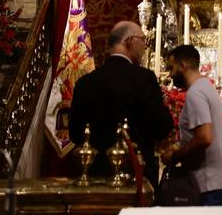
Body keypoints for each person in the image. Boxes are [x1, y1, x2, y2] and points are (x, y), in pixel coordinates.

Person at [69, 20, 174, 188]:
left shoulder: (85, 82)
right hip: (133, 174)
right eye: (143, 40)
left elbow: (75, 133)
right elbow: (161, 127)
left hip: (94, 175)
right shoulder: (143, 78)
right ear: (130, 42)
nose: (145, 47)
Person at [163, 44, 222, 206]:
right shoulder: (206, 88)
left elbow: (204, 137)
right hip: (215, 178)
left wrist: (175, 156)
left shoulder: (196, 92)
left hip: (208, 180)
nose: (170, 74)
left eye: (172, 68)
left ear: (183, 66)